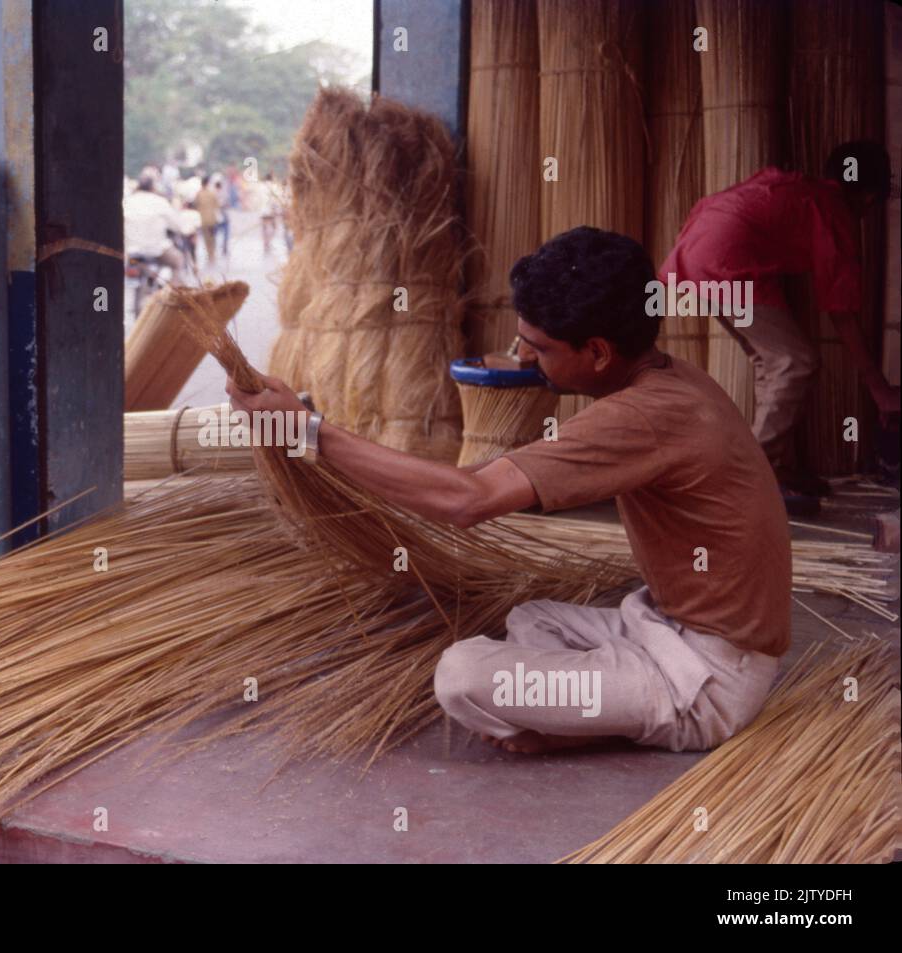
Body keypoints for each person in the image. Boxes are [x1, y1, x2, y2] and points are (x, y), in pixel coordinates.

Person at [228, 226, 790, 755]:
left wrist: (308, 430)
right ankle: (589, 712)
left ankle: (612, 720)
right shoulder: (672, 379)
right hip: (664, 628)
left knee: (462, 677)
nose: (523, 357)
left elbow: (467, 500)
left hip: (708, 679)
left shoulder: (643, 417)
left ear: (597, 352)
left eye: (539, 348)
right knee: (531, 620)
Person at [661, 140, 899, 511]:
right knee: (796, 362)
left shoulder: (803, 192)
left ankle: (777, 468)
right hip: (726, 259)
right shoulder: (833, 212)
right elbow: (841, 312)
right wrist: (878, 387)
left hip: (697, 252)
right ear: (869, 199)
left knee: (772, 362)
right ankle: (750, 475)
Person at [122, 174, 185, 277]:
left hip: (131, 251)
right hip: (156, 250)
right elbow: (177, 225)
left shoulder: (127, 202)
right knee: (178, 261)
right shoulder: (160, 201)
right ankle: (174, 292)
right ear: (153, 187)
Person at [194, 175, 221, 267]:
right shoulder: (212, 194)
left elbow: (196, 206)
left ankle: (209, 254)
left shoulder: (198, 194)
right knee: (212, 238)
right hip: (212, 219)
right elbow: (217, 206)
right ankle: (212, 254)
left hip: (203, 219)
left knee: (206, 238)